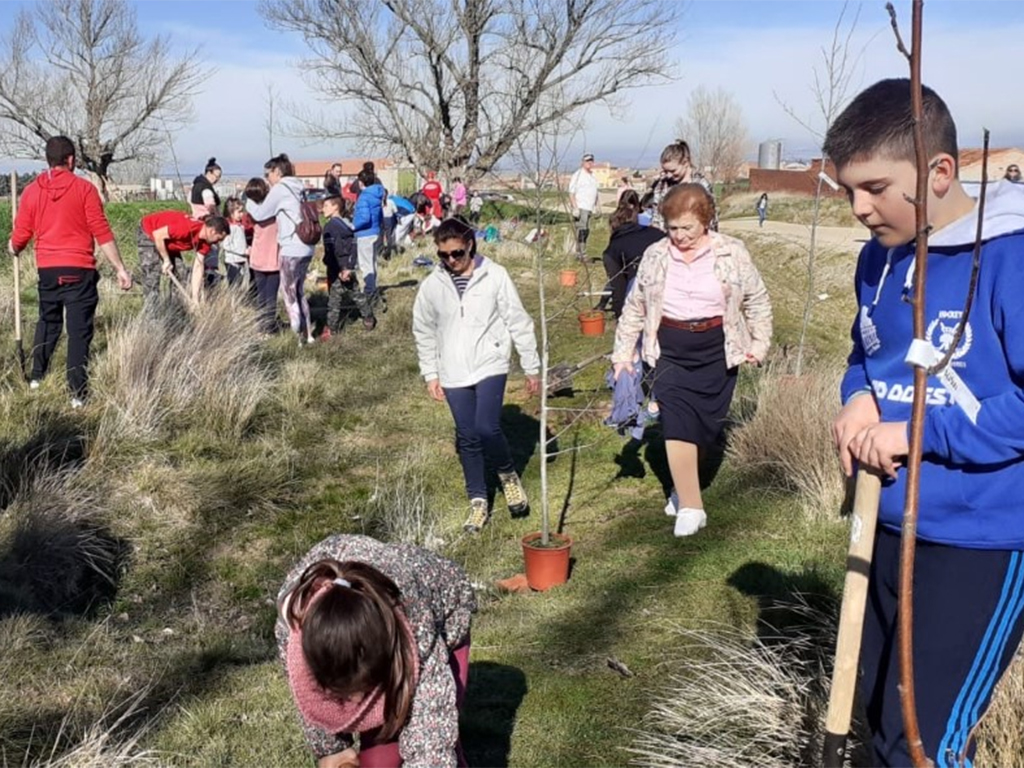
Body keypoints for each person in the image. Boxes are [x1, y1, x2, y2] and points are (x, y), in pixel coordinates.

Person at [827, 78, 1024, 768]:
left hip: (981, 538)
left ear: (939, 172)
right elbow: (866, 353)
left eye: (875, 187)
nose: (859, 207)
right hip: (885, 520)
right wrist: (858, 396)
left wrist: (917, 434)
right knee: (874, 721)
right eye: (847, 190)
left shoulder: (1010, 258)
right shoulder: (877, 258)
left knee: (925, 744)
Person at [612, 183, 772, 536]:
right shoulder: (656, 255)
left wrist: (759, 344)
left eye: (688, 228)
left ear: (706, 220)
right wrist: (622, 354)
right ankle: (691, 506)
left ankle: (682, 486)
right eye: (673, 228)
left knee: (704, 428)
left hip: (717, 351)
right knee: (677, 422)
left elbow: (756, 299)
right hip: (669, 350)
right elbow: (635, 307)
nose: (680, 236)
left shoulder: (731, 252)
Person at [277, 534, 475, 768]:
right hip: (380, 625)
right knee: (378, 763)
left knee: (431, 738)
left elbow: (431, 731)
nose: (355, 702)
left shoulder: (416, 622)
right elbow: (310, 694)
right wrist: (332, 749)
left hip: (443, 613)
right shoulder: (294, 627)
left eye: (362, 690)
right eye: (343, 695)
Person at [412, 218, 541, 533]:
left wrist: (531, 365)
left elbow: (518, 320)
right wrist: (431, 373)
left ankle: (508, 475)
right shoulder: (432, 286)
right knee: (467, 435)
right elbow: (423, 331)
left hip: (489, 362)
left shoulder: (495, 275)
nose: (451, 260)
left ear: (470, 244)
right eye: (443, 255)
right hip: (452, 369)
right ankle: (478, 501)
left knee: (486, 427)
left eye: (457, 253)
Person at [7, 135, 133, 407]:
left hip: (48, 270)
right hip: (79, 270)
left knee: (48, 321)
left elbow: (21, 234)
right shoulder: (84, 189)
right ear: (71, 160)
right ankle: (77, 393)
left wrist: (13, 246)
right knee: (78, 331)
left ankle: (37, 376)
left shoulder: (31, 191)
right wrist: (120, 268)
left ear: (48, 160)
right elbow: (101, 231)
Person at [245, 153, 316, 344]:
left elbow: (261, 214)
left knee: (289, 296)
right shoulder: (299, 187)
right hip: (307, 245)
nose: (267, 179)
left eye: (268, 174)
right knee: (299, 292)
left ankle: (296, 340)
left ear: (277, 171)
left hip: (291, 247)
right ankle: (308, 335)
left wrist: (249, 202)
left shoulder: (281, 189)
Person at [138, 209, 229, 306]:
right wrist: (166, 260)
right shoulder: (187, 227)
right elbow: (158, 235)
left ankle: (176, 308)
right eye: (219, 238)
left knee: (181, 274)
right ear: (212, 231)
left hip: (169, 242)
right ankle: (152, 309)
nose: (218, 242)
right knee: (152, 274)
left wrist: (195, 299)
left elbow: (198, 266)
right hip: (149, 232)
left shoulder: (206, 242)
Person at [601, 190, 666, 318]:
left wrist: (620, 314)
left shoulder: (615, 245)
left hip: (622, 259)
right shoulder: (655, 232)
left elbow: (618, 289)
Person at [322, 194, 375, 338]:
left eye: (326, 206)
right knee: (357, 294)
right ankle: (368, 317)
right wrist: (349, 267)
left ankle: (332, 330)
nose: (322, 209)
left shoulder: (329, 227)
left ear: (335, 207)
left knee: (334, 301)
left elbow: (332, 251)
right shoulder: (347, 224)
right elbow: (353, 246)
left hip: (336, 269)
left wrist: (339, 269)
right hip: (348, 267)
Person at [649, 140, 717, 232]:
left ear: (686, 163)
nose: (668, 175)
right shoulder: (662, 185)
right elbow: (656, 218)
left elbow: (710, 220)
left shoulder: (701, 185)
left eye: (673, 171)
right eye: (665, 171)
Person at [244, 177, 281, 335]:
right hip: (274, 259)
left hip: (257, 258)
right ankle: (269, 327)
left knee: (261, 295)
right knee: (271, 296)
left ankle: (261, 326)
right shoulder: (275, 211)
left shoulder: (252, 212)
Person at [353, 168, 386, 308]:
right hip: (375, 232)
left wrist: (353, 226)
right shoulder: (377, 195)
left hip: (365, 234)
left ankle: (369, 292)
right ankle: (373, 288)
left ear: (361, 182)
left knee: (365, 265)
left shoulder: (364, 197)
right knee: (373, 263)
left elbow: (365, 218)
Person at [568, 153, 600, 255]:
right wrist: (575, 207)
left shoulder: (593, 176)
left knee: (586, 231)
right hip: (581, 207)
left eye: (591, 161)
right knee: (582, 230)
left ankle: (581, 251)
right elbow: (571, 193)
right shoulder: (578, 175)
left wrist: (596, 206)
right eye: (587, 161)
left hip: (590, 207)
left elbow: (595, 192)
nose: (589, 163)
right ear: (583, 162)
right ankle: (581, 253)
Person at [220, 197, 249, 287]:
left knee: (240, 283)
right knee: (234, 285)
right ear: (231, 213)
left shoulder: (240, 226)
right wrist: (242, 251)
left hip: (241, 260)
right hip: (232, 261)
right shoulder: (230, 228)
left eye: (242, 211)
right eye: (239, 212)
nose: (241, 214)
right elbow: (226, 245)